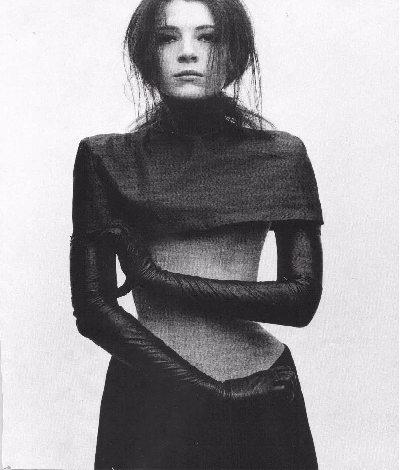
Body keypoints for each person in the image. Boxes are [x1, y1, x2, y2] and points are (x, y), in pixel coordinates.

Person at [70, 0, 323, 468]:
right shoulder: (104, 158)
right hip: (150, 399)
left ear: (236, 51)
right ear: (145, 54)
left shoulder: (282, 156)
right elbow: (92, 310)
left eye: (208, 37)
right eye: (168, 37)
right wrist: (215, 393)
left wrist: (155, 278)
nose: (188, 52)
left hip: (263, 393)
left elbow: (300, 301)